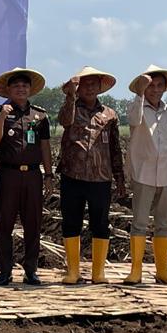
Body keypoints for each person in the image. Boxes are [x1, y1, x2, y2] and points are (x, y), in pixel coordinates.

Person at [57, 66, 125, 285]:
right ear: (78, 88)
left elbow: (115, 147)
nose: (89, 88)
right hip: (72, 175)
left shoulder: (110, 114)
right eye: (85, 85)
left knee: (100, 224)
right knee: (71, 222)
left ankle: (98, 273)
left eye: (93, 84)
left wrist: (120, 176)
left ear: (99, 87)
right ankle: (73, 271)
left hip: (100, 178)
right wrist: (70, 95)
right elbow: (64, 121)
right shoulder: (71, 108)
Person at [0, 67, 53, 286]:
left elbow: (45, 147)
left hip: (33, 175)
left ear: (30, 89)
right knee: (4, 224)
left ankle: (31, 270)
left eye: (24, 86)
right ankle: (5, 271)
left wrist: (49, 174)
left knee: (33, 224)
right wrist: (2, 117)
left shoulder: (40, 115)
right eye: (16, 86)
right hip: (8, 174)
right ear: (8, 90)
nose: (21, 89)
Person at [124, 65, 167, 285]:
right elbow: (133, 120)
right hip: (143, 174)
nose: (155, 90)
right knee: (140, 222)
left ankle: (163, 270)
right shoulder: (136, 106)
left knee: (164, 223)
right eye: (151, 86)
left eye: (159, 86)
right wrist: (140, 92)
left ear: (165, 88)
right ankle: (136, 271)